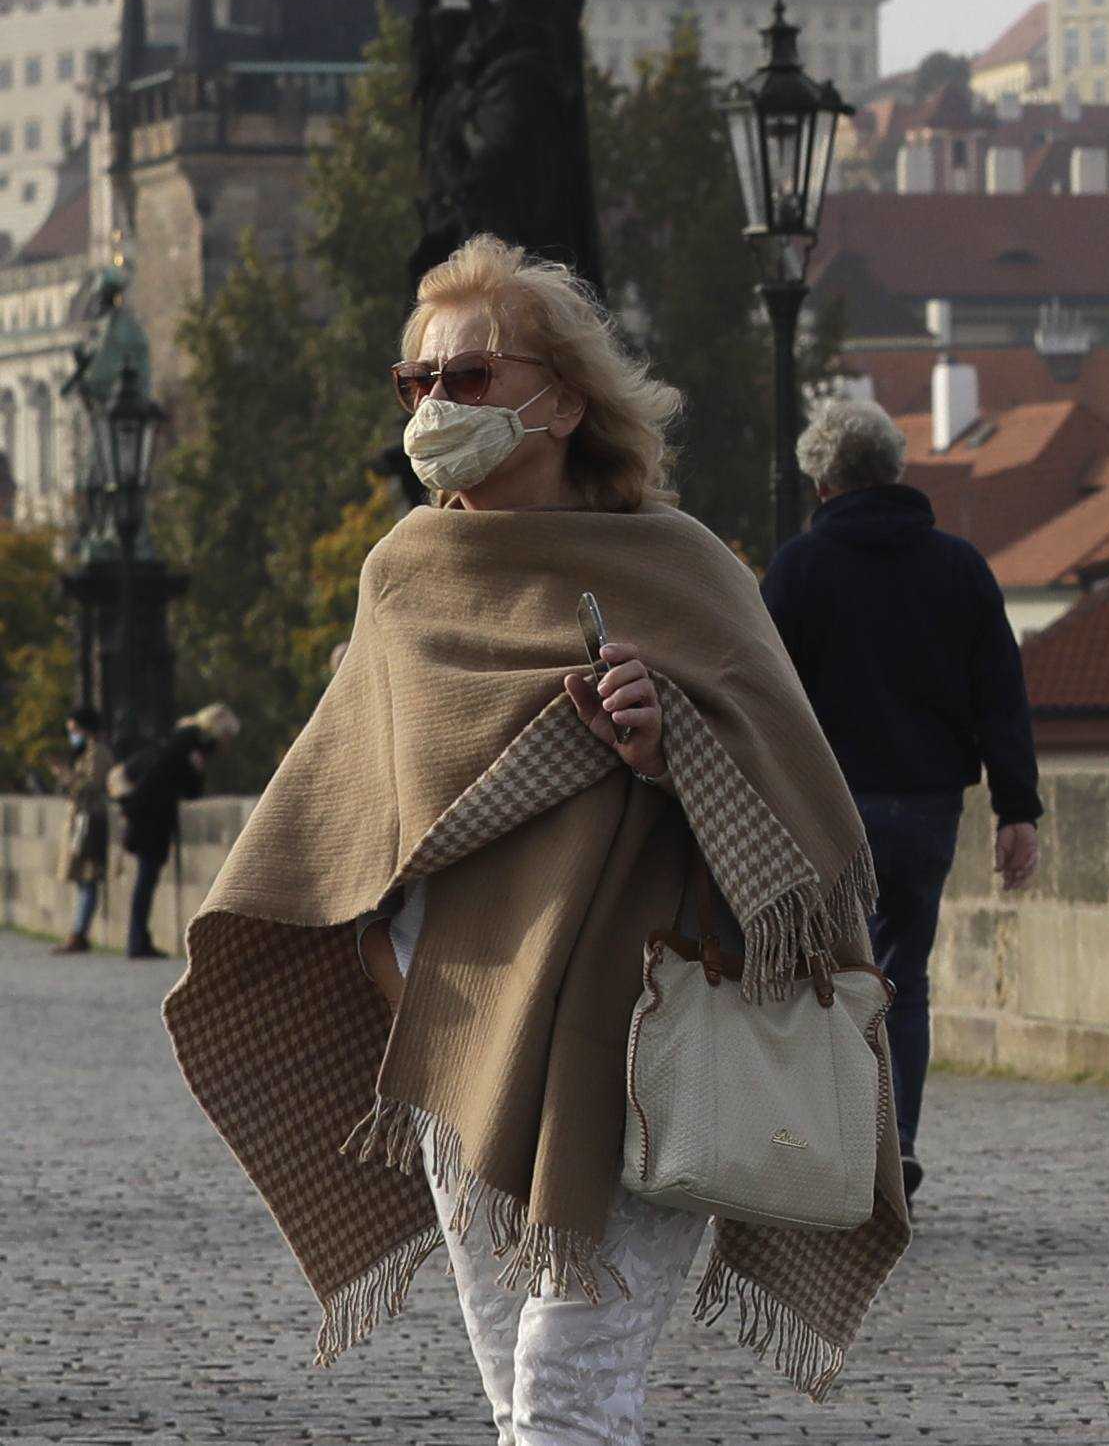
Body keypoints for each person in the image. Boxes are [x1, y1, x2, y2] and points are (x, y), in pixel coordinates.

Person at [163, 235, 906, 1438]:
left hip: (647, 1037)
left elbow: (804, 814)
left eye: (467, 378)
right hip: (465, 1035)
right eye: (418, 383)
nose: (434, 406)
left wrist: (676, 747)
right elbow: (353, 816)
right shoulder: (404, 576)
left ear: (561, 400)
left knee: (566, 1393)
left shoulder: (685, 568)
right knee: (518, 1388)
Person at [759, 392, 1042, 1191]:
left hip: (824, 805)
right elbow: (1001, 696)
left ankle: (830, 1142)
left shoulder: (799, 569)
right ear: (897, 470)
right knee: (901, 977)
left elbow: (766, 697)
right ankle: (899, 1138)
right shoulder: (959, 566)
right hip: (925, 805)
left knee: (817, 975)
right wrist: (1016, 809)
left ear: (821, 485)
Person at [112, 701, 233, 958]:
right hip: (152, 815)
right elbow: (191, 787)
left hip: (147, 812)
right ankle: (137, 941)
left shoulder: (182, 738)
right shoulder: (192, 743)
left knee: (146, 879)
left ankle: (139, 938)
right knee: (146, 878)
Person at [46, 706, 114, 954]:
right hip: (82, 819)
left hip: (89, 820)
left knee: (87, 876)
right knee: (82, 878)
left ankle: (79, 933)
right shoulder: (89, 751)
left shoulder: (97, 753)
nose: (72, 735)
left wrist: (64, 774)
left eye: (74, 730)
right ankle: (78, 930)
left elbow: (91, 785)